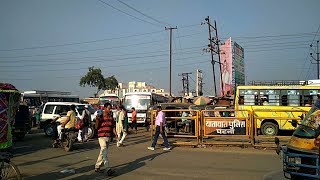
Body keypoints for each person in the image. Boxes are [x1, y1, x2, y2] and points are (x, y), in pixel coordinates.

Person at [95, 102, 117, 176]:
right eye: (109, 108)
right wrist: (97, 120)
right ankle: (108, 168)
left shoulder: (111, 117)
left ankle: (97, 166)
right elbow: (96, 127)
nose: (110, 110)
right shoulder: (101, 116)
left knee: (102, 152)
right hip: (101, 136)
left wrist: (116, 134)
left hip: (108, 136)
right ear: (104, 108)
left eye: (110, 108)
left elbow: (113, 126)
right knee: (104, 153)